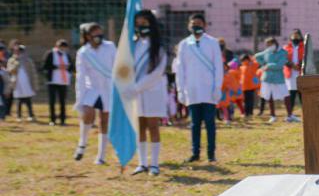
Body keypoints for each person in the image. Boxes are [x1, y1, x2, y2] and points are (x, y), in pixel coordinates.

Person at [175, 13, 224, 163]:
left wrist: (217, 87)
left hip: (209, 89)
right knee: (195, 124)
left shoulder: (212, 42)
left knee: (210, 123)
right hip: (192, 89)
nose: (196, 26)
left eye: (199, 23)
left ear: (204, 25)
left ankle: (211, 154)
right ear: (189, 26)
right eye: (193, 24)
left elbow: (218, 66)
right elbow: (180, 68)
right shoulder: (184, 44)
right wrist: (180, 89)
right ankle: (195, 153)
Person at [125, 10, 168, 176]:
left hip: (151, 91)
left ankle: (154, 164)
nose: (141, 27)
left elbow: (157, 73)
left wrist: (138, 87)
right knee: (140, 127)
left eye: (144, 24)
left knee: (152, 126)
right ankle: (142, 163)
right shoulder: (133, 45)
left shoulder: (158, 47)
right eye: (138, 24)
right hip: (136, 93)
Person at [73, 23, 116, 164]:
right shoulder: (83, 52)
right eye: (95, 33)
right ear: (87, 36)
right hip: (91, 89)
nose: (98, 36)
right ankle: (82, 144)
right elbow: (80, 76)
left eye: (100, 32)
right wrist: (80, 98)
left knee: (104, 121)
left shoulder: (110, 47)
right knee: (88, 114)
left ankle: (101, 156)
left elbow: (117, 66)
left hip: (108, 89)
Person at [255, 37, 290, 124]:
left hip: (278, 78)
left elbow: (279, 65)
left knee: (286, 95)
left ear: (274, 43)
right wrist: (263, 64)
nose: (268, 47)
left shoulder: (283, 52)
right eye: (267, 45)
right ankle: (273, 115)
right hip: (267, 78)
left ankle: (290, 115)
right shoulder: (267, 51)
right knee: (269, 97)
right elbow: (257, 56)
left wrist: (268, 66)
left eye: (269, 45)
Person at [43, 39, 74, 126]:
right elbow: (45, 66)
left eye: (64, 47)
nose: (63, 49)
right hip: (53, 81)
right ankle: (52, 120)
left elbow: (71, 67)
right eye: (61, 47)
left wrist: (67, 67)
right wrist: (56, 66)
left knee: (62, 102)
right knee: (52, 101)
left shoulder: (66, 55)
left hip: (63, 81)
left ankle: (63, 120)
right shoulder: (50, 54)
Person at [7, 41, 37, 122]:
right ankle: (19, 116)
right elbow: (9, 70)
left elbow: (32, 72)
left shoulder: (28, 60)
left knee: (28, 98)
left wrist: (34, 83)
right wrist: (16, 63)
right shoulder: (12, 60)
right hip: (17, 82)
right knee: (19, 99)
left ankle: (31, 115)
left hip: (26, 81)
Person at [283, 29, 304, 123]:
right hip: (290, 73)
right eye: (293, 35)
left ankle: (306, 114)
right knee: (291, 94)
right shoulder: (286, 47)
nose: (295, 37)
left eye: (297, 35)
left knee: (302, 94)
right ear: (291, 36)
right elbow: (283, 59)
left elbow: (306, 58)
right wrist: (292, 65)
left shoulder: (304, 46)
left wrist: (299, 65)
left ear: (300, 36)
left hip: (301, 72)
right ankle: (290, 115)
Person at [218, 61, 241, 125]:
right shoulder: (217, 74)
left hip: (225, 92)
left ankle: (227, 118)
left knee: (225, 106)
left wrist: (234, 90)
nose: (223, 68)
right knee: (219, 106)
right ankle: (222, 117)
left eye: (224, 66)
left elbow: (231, 83)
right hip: (218, 92)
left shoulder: (228, 74)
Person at [239, 53, 260, 118]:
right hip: (243, 87)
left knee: (250, 101)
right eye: (243, 60)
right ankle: (246, 113)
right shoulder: (241, 67)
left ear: (248, 60)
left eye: (246, 60)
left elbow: (257, 62)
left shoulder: (252, 66)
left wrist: (252, 59)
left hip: (251, 87)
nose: (244, 61)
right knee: (245, 101)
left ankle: (250, 113)